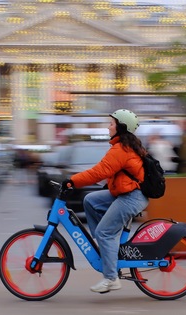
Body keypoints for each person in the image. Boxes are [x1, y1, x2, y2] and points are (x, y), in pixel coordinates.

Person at [61, 109, 148, 293]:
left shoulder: (121, 149)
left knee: (105, 232)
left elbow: (99, 172)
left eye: (111, 123)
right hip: (125, 193)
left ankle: (111, 278)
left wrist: (72, 181)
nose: (108, 127)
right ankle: (107, 246)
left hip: (132, 197)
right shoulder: (121, 146)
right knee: (91, 200)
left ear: (121, 127)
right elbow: (104, 172)